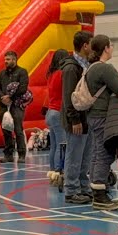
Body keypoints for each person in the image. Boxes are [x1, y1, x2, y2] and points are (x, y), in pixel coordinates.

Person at [82, 34, 118, 210]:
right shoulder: (106, 69)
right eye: (111, 45)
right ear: (105, 48)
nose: (112, 48)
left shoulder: (91, 68)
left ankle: (97, 190)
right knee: (105, 154)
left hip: (93, 115)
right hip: (104, 116)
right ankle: (100, 195)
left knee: (97, 153)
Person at [61, 30, 94, 204]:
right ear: (85, 46)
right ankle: (71, 190)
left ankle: (83, 186)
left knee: (85, 157)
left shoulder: (86, 65)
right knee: (74, 156)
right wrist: (74, 119)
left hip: (86, 119)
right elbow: (69, 96)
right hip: (76, 121)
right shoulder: (71, 68)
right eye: (92, 43)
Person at [0, 49, 31, 163]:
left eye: (8, 59)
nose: (5, 61)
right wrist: (2, 97)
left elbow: (23, 88)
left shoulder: (22, 72)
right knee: (5, 130)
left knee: (18, 129)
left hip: (16, 106)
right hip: (4, 106)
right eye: (5, 59)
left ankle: (21, 154)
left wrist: (10, 97)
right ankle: (8, 155)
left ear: (14, 60)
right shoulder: (1, 74)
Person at [43, 49, 70, 189]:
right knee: (62, 144)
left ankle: (53, 172)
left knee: (54, 146)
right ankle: (60, 172)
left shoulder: (51, 74)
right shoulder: (62, 74)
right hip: (59, 112)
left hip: (50, 112)